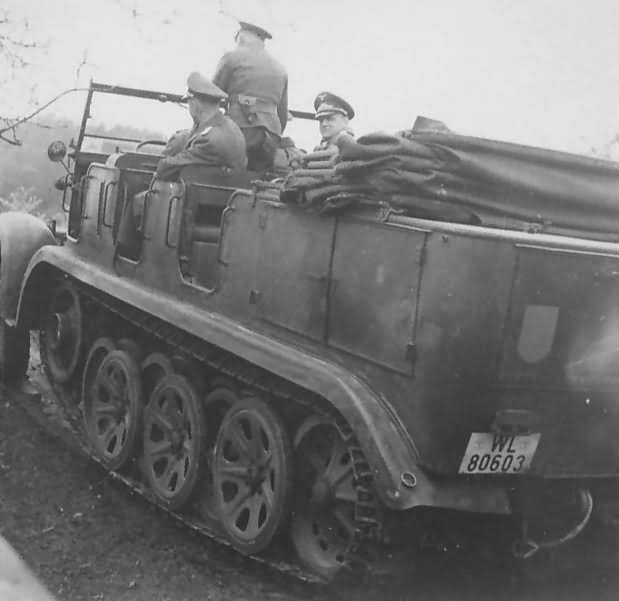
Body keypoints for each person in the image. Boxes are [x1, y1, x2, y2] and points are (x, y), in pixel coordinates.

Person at [213, 20, 288, 171]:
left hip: (239, 129)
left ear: (241, 37)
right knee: (257, 179)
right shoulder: (280, 69)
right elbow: (283, 115)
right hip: (271, 135)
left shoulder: (232, 57)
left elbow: (210, 94)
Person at [156, 71, 247, 180]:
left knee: (139, 197)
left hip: (207, 193)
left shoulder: (209, 141)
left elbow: (167, 168)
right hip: (222, 188)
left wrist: (160, 166)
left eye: (189, 102)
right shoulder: (231, 127)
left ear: (195, 104)